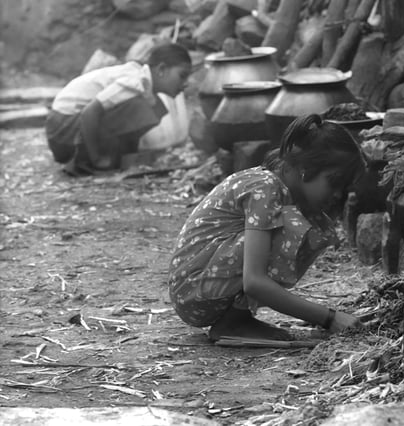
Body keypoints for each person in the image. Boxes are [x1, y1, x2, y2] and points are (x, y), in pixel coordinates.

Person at [169, 114, 366, 340]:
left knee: (312, 226)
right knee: (292, 228)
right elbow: (254, 282)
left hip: (199, 290)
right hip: (192, 292)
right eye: (334, 181)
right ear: (305, 168)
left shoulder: (276, 187)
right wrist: (330, 318)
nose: (338, 194)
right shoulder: (266, 187)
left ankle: (237, 319)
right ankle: (233, 324)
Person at [45, 43, 192, 175]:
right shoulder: (135, 82)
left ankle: (115, 158)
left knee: (153, 107)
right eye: (182, 76)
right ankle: (89, 161)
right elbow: (89, 113)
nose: (186, 84)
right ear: (161, 69)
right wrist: (97, 159)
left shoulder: (141, 80)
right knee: (141, 107)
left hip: (63, 127)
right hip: (63, 130)